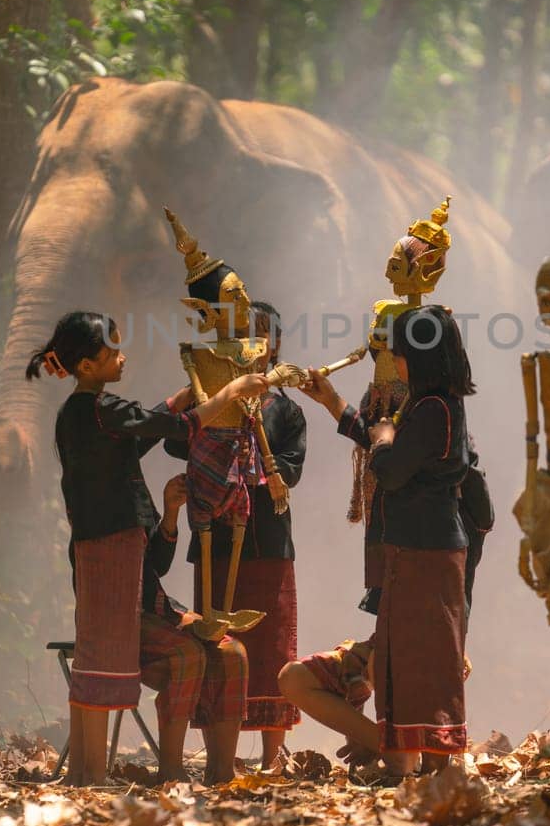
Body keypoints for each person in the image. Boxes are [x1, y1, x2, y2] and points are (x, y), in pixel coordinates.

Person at [28, 310, 268, 786]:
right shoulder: (96, 410)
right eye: (111, 351)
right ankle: (157, 773)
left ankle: (220, 774)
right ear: (88, 366)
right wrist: (228, 395)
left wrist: (187, 395)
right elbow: (168, 429)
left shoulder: (91, 417)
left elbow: (142, 432)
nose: (121, 356)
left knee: (230, 653)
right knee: (176, 656)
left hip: (132, 575)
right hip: (107, 567)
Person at [296, 305, 476, 775]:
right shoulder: (426, 405)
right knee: (402, 660)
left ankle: (437, 770)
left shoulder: (435, 408)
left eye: (399, 353)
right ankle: (410, 766)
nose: (394, 362)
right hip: (415, 550)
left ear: (419, 356)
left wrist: (384, 436)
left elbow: (391, 469)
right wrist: (333, 402)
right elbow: (384, 440)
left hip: (427, 551)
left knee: (427, 663)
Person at [166, 300, 306, 771]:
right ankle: (217, 756)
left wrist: (256, 474)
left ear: (275, 347)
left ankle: (271, 758)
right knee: (215, 643)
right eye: (242, 336)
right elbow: (172, 439)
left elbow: (290, 469)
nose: (250, 347)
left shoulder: (287, 413)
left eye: (260, 338)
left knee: (270, 647)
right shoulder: (212, 400)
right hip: (215, 539)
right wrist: (201, 394)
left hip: (267, 541)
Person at [138, 475, 248, 784]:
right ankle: (170, 771)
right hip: (117, 616)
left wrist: (170, 513)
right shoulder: (94, 495)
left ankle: (222, 771)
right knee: (188, 654)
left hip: (159, 608)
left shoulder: (135, 490)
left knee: (232, 651)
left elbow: (156, 566)